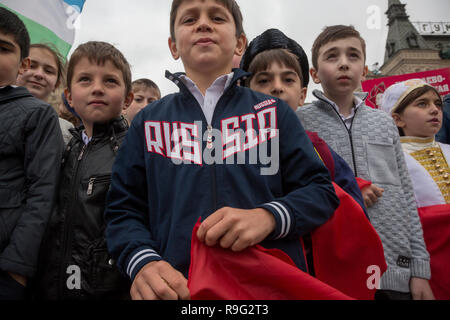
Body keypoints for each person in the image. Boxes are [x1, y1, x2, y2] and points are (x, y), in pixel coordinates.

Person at [105, 0, 339, 300]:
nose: (203, 24)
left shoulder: (275, 112)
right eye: (190, 19)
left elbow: (321, 191)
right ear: (173, 46)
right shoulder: (148, 121)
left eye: (217, 17)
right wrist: (142, 261)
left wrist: (268, 216)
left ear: (239, 42)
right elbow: (123, 208)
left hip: (267, 290)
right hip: (178, 290)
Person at [296, 25, 434, 300]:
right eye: (332, 56)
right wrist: (348, 189)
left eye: (353, 55)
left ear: (365, 70)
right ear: (314, 74)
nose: (344, 63)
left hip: (396, 271)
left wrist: (420, 269)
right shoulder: (301, 121)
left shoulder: (383, 122)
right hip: (334, 271)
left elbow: (407, 195)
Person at [33, 41, 133, 300]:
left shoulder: (132, 150)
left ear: (127, 98)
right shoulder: (64, 146)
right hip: (52, 284)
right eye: (85, 80)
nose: (97, 88)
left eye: (110, 81)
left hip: (105, 288)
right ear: (68, 94)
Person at [240, 28, 366, 214]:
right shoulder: (229, 149)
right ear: (244, 94)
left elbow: (355, 217)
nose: (277, 87)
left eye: (288, 80)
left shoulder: (319, 151)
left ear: (302, 95)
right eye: (264, 80)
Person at [0, 7, 63, 300]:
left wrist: (17, 268)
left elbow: (42, 193)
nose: (39, 74)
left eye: (4, 49)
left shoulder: (38, 116)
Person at [380, 79, 450, 300]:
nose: (434, 109)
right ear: (397, 118)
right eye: (422, 104)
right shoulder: (389, 159)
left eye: (437, 104)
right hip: (428, 260)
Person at [16, 43, 74, 145]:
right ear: (16, 69)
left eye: (48, 71)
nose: (39, 74)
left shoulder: (67, 131)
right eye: (31, 66)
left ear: (56, 85)